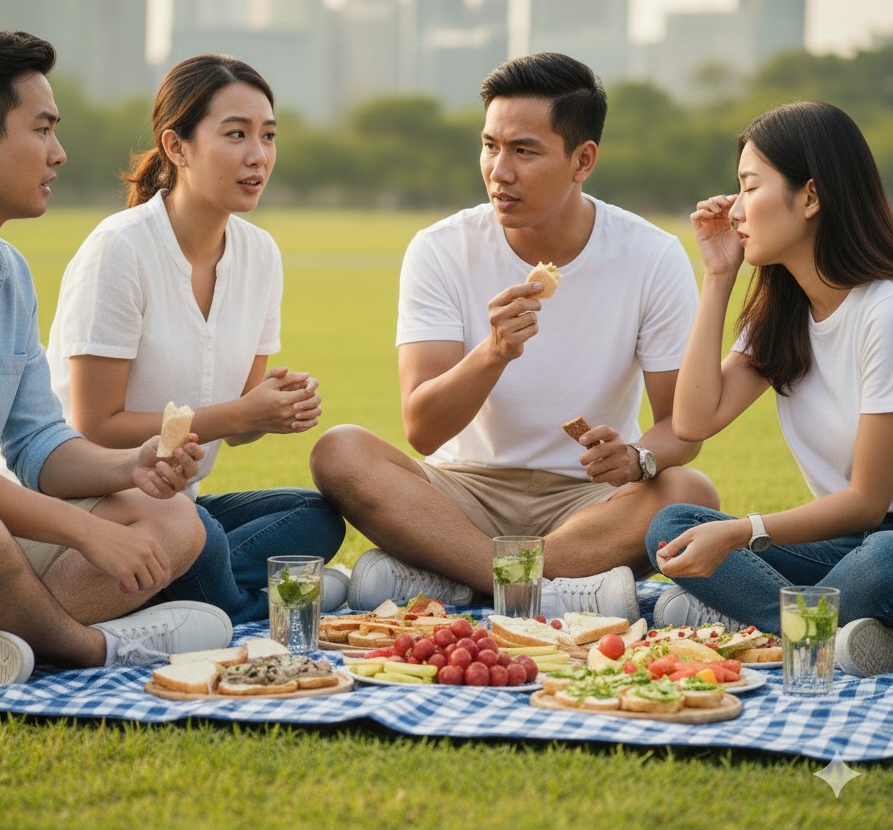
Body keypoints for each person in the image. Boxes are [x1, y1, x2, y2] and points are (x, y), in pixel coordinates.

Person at [0, 27, 234, 693]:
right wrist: (84, 533)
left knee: (171, 516)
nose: (58, 154)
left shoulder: (6, 272)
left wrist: (133, 464)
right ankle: (89, 649)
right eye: (41, 130)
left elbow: (38, 444)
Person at [310, 52, 719, 620]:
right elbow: (422, 431)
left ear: (583, 160)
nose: (499, 171)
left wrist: (638, 458)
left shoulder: (651, 255)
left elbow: (682, 427)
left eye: (524, 151)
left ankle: (451, 577)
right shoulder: (441, 248)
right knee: (340, 450)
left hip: (588, 502)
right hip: (461, 494)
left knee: (691, 494)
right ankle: (536, 586)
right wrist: (494, 352)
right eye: (490, 146)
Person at [44, 53, 346, 624]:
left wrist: (273, 409)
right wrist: (237, 415)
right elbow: (94, 427)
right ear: (176, 147)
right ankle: (250, 602)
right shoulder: (120, 251)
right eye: (235, 135)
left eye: (268, 136)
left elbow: (238, 430)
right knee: (200, 536)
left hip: (181, 505)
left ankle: (184, 594)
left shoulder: (260, 256)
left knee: (317, 516)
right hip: (96, 503)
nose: (258, 155)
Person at [647, 101, 893, 677]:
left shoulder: (883, 310)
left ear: (810, 197)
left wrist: (744, 532)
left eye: (749, 186)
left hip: (883, 543)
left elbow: (867, 500)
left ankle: (765, 626)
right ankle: (836, 630)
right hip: (844, 548)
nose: (732, 207)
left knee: (884, 559)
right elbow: (692, 421)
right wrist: (718, 274)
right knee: (674, 528)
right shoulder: (784, 313)